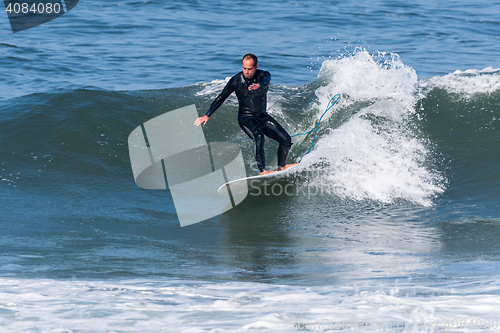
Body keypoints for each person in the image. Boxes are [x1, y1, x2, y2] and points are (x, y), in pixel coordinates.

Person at [194, 54, 297, 175]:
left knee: (286, 139)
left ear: (256, 67)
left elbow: (266, 81)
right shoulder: (236, 80)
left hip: (262, 117)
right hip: (245, 118)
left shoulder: (263, 75)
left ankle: (281, 166)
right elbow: (221, 97)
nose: (246, 72)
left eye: (250, 69)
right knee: (258, 137)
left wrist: (259, 85)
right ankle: (263, 171)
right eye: (244, 68)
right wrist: (207, 115)